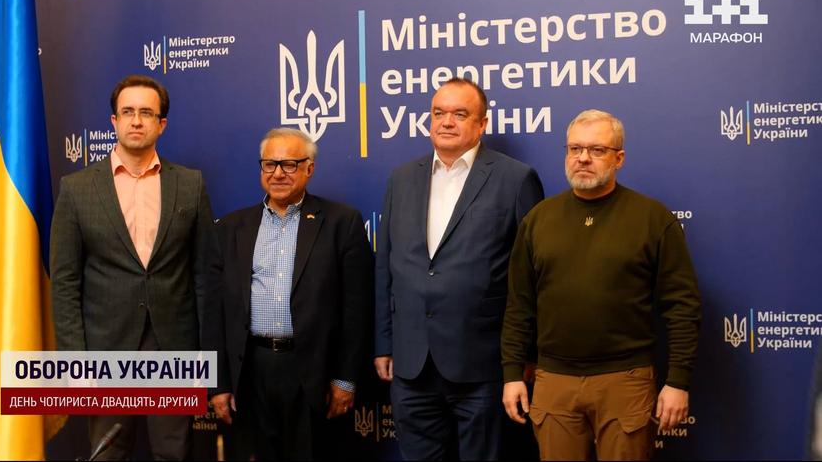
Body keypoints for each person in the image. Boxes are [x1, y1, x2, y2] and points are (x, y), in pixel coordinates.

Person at [501, 109, 702, 461]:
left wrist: (678, 381)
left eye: (597, 150)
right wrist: (512, 373)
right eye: (575, 148)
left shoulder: (653, 219)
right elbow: (520, 306)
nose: (583, 158)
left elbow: (682, 307)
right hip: (554, 381)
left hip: (626, 381)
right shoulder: (538, 220)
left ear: (618, 158)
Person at [374, 77, 545, 460]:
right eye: (438, 113)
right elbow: (386, 266)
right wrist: (385, 343)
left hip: (482, 364)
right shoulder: (401, 179)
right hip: (412, 364)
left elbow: (531, 277)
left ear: (482, 124)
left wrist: (525, 354)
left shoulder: (516, 178)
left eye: (459, 114)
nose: (446, 122)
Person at [50, 74, 214, 459]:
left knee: (173, 453)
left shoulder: (190, 184)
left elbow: (204, 275)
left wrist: (205, 357)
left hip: (173, 348)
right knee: (108, 454)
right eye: (127, 112)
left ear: (162, 124)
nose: (136, 121)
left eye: (146, 113)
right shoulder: (77, 189)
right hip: (104, 350)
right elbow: (65, 283)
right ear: (114, 121)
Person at [204, 128, 374, 460]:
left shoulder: (341, 222)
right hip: (250, 370)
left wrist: (345, 379)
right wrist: (219, 384)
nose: (278, 173)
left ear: (309, 168)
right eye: (270, 164)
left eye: (289, 164)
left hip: (312, 371)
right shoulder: (231, 228)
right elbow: (215, 312)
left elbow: (357, 310)